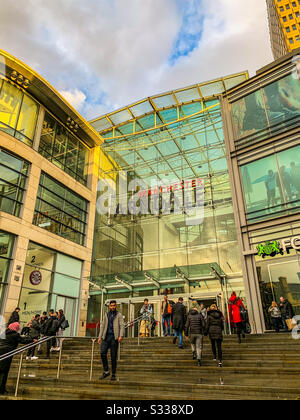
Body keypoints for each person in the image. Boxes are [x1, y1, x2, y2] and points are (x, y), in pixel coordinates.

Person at [0, 322, 36, 395]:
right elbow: (23, 340)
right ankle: (1, 390)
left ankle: (2, 388)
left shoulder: (4, 333)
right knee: (4, 372)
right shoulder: (15, 335)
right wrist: (32, 340)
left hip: (1, 353)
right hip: (7, 354)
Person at [98, 300, 124, 381]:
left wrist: (120, 335)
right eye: (111, 305)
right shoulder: (106, 314)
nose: (112, 307)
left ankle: (113, 374)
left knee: (113, 356)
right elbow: (102, 326)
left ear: (116, 306)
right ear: (109, 306)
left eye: (114, 305)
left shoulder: (119, 315)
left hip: (114, 337)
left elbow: (122, 326)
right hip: (106, 337)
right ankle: (106, 371)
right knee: (102, 353)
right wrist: (100, 337)